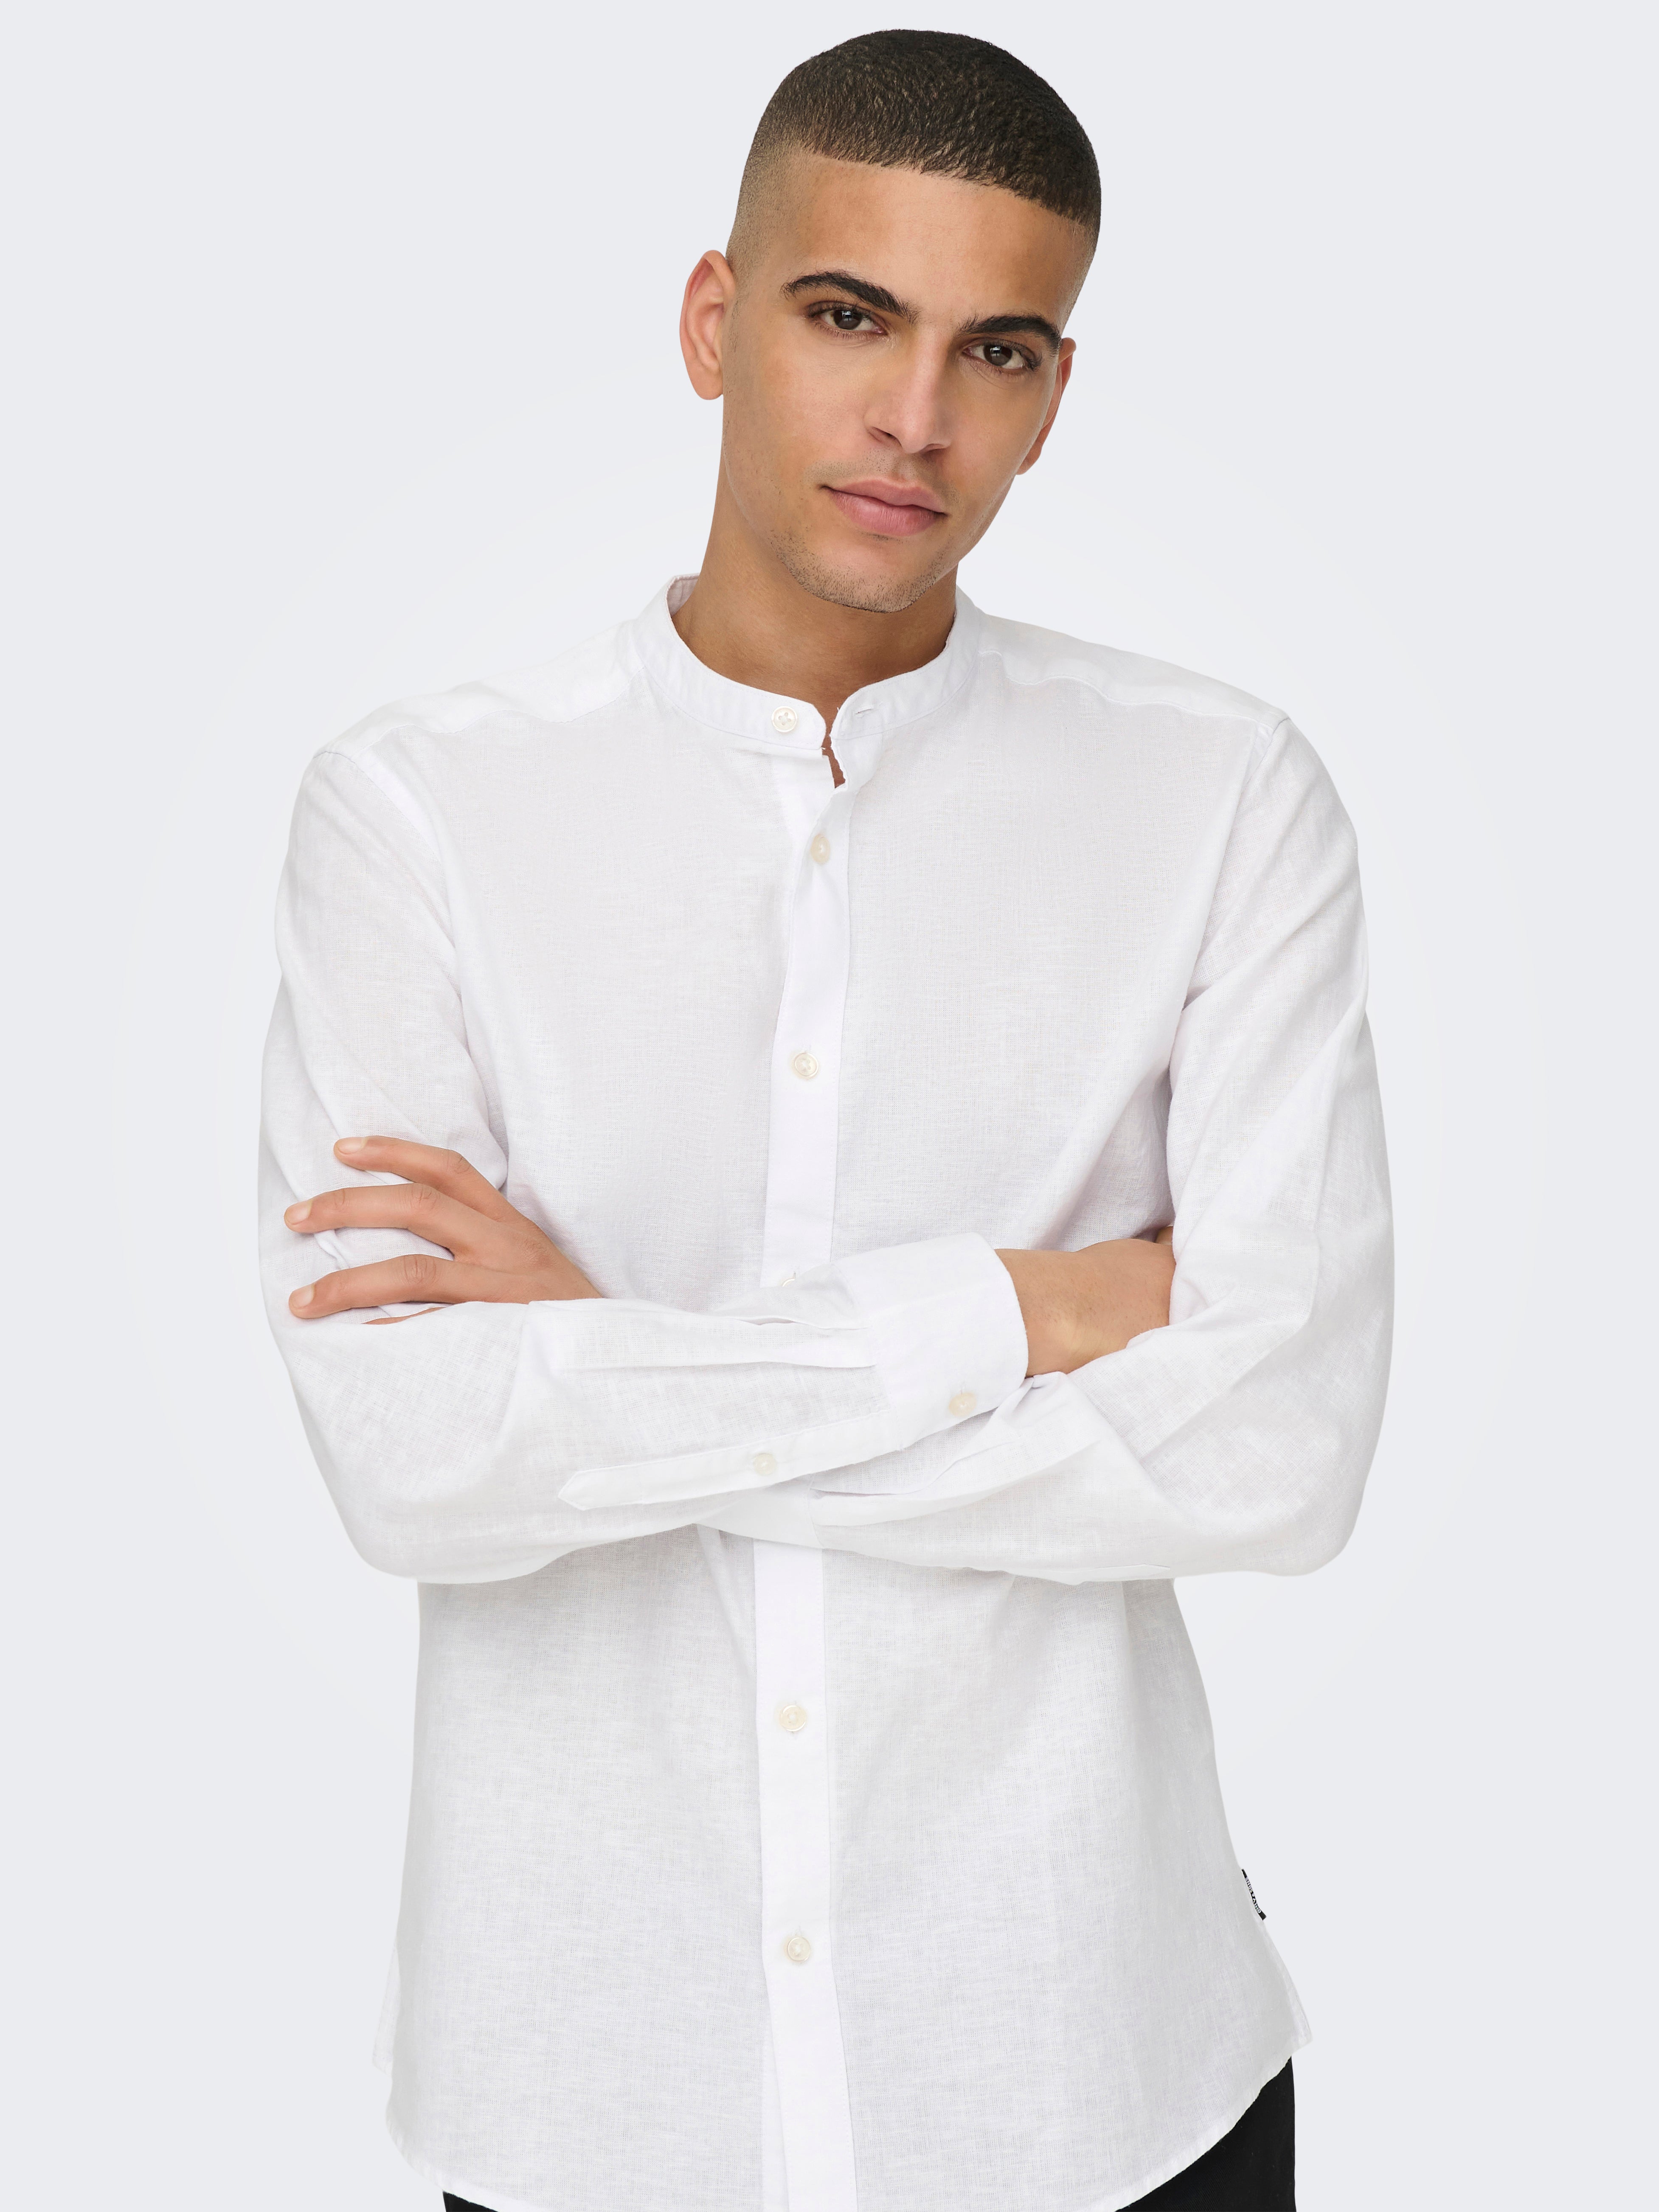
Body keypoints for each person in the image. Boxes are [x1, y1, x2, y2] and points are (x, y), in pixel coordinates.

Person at [260, 29, 1391, 2212]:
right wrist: (1017, 1313)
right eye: (848, 314)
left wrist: (604, 1355)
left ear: (1051, 395)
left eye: (996, 350)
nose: (915, 416)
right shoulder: (415, 819)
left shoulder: (1222, 801)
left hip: (1090, 2070)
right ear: (714, 321)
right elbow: (414, 1462)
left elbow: (1276, 1448)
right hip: (597, 2092)